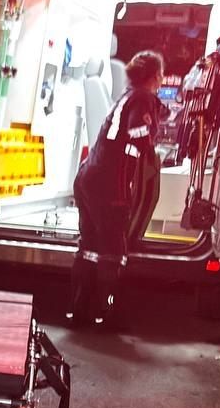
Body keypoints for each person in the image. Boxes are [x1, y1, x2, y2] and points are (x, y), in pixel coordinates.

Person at [68, 50, 165, 327]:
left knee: (90, 247)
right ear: (155, 76)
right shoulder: (143, 98)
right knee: (113, 251)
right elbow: (138, 132)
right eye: (160, 73)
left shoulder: (127, 96)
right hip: (110, 183)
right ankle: (105, 314)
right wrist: (151, 145)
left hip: (89, 177)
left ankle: (79, 310)